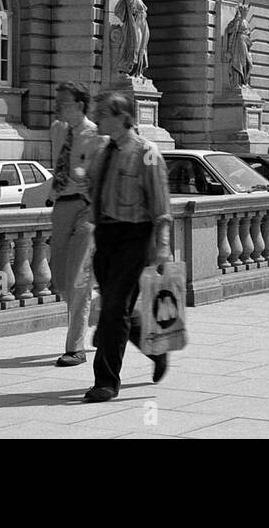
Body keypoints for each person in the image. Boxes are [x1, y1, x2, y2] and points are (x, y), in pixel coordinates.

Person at [83, 91, 172, 403]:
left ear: (122, 117)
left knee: (113, 309)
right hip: (106, 236)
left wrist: (161, 248)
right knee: (116, 310)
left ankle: (105, 381)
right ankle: (155, 349)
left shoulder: (147, 152)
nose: (97, 119)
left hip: (135, 236)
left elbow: (161, 207)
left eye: (103, 114)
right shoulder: (104, 150)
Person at [47, 81, 107, 367]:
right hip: (61, 207)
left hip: (86, 210)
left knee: (78, 279)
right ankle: (106, 312)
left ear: (80, 104)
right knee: (60, 279)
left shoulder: (97, 137)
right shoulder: (57, 130)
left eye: (64, 101)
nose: (57, 105)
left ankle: (76, 348)